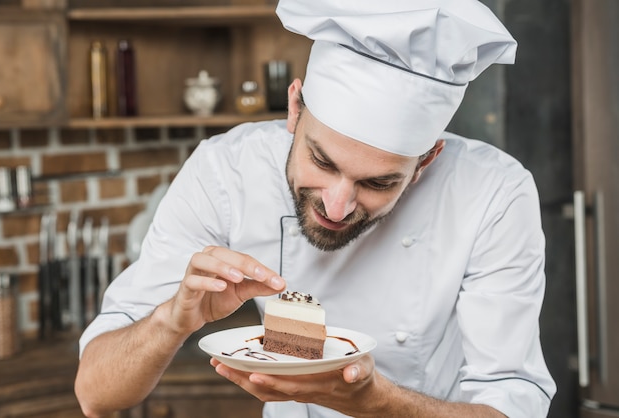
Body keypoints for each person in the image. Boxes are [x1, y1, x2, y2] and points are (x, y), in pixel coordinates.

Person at [75, 1, 556, 417]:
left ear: (427, 160)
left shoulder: (494, 192)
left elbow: (510, 403)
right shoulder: (226, 171)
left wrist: (376, 404)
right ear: (294, 108)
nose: (337, 204)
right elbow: (95, 394)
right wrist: (171, 319)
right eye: (321, 161)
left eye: (378, 182)